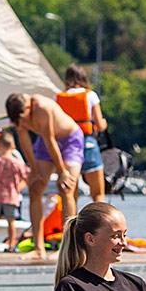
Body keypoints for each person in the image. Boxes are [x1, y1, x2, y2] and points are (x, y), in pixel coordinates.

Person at [6, 91, 85, 260]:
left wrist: (62, 171)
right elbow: (25, 141)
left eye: (25, 118)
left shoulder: (42, 107)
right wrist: (34, 168)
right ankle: (38, 248)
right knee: (35, 188)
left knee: (66, 188)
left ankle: (67, 249)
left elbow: (51, 140)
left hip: (69, 140)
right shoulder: (18, 115)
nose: (24, 123)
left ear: (28, 107)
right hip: (45, 142)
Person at [57, 65, 109, 202]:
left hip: (66, 145)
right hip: (87, 142)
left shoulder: (58, 97)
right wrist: (104, 123)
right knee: (98, 193)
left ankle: (71, 222)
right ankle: (99, 222)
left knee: (70, 194)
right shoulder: (90, 95)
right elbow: (99, 124)